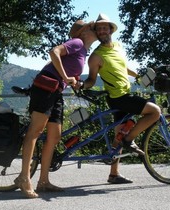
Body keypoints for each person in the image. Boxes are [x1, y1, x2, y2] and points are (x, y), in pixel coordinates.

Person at [14, 19, 98, 198]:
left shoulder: (83, 51)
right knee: (35, 131)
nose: (95, 29)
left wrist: (75, 81)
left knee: (54, 135)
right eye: (92, 28)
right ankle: (23, 177)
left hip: (56, 91)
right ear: (83, 32)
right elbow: (54, 52)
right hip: (45, 88)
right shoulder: (77, 42)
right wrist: (66, 76)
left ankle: (43, 181)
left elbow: (69, 75)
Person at [82, 13, 161, 184]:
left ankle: (113, 174)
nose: (102, 30)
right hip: (120, 98)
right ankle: (129, 139)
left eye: (105, 27)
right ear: (97, 32)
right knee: (155, 111)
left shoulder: (117, 46)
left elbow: (123, 67)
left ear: (110, 29)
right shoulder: (96, 56)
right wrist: (80, 84)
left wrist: (139, 76)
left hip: (123, 95)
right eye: (99, 28)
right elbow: (91, 79)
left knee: (119, 133)